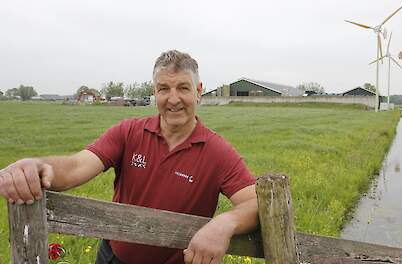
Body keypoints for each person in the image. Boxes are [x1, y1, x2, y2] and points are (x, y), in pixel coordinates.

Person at [0, 50, 259, 264]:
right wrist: (37, 166)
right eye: (164, 88)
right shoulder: (129, 133)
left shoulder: (216, 152)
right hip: (113, 257)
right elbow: (78, 165)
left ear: (199, 91)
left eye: (183, 88)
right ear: (154, 92)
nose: (173, 99)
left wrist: (224, 224)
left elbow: (254, 203)